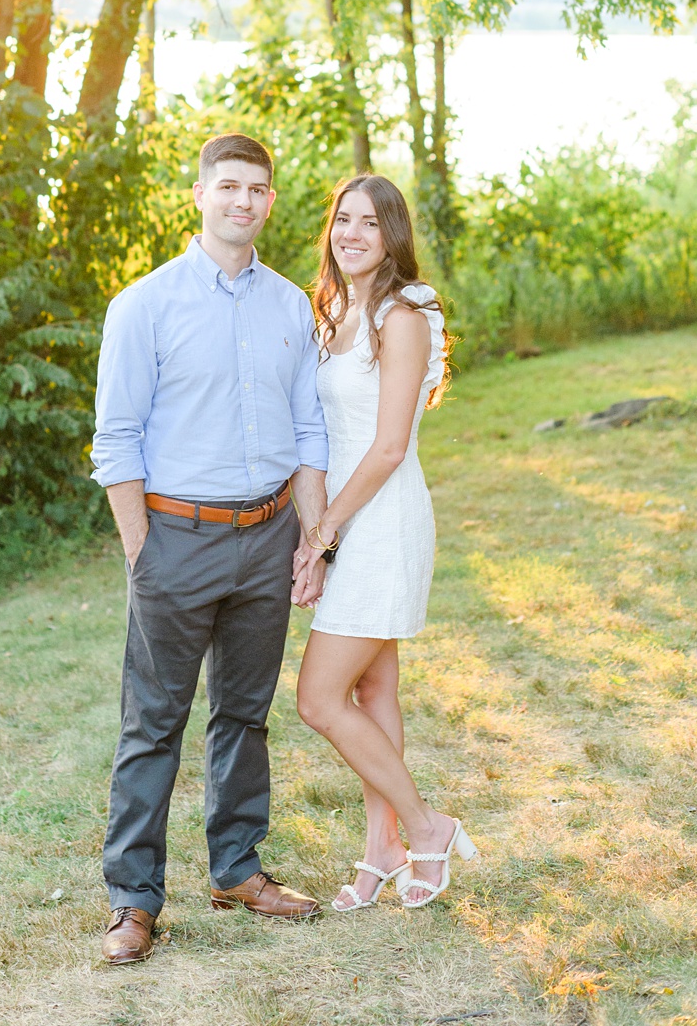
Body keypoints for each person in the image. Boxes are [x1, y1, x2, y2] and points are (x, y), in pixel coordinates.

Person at [91, 132, 331, 966]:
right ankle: (133, 900)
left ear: (270, 201)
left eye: (258, 189)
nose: (244, 201)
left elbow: (310, 430)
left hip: (268, 536)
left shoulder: (292, 305)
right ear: (199, 195)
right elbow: (116, 438)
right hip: (176, 539)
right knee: (153, 723)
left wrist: (313, 537)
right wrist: (141, 553)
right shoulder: (145, 305)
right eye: (228, 186)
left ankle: (236, 869)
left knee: (243, 715)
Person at [289, 174, 475, 911]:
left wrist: (328, 532)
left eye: (370, 222)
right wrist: (314, 524)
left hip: (382, 519)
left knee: (318, 698)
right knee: (374, 688)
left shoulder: (402, 315)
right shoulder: (333, 311)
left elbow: (390, 444)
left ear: (392, 234)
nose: (352, 234)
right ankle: (383, 849)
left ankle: (428, 825)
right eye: (343, 219)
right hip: (341, 514)